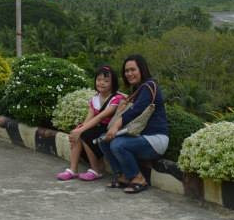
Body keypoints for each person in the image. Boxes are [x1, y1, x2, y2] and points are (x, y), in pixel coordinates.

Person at [98, 54, 168, 194]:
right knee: (104, 140)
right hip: (141, 138)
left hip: (155, 139)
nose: (129, 73)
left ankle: (138, 178)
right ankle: (123, 175)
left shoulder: (149, 86)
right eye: (126, 71)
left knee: (118, 144)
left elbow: (136, 111)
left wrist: (116, 125)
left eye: (133, 69)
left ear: (141, 69)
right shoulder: (138, 89)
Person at [57, 66, 125, 182]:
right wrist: (80, 128)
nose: (101, 83)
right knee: (78, 133)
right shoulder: (95, 98)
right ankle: (73, 169)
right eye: (99, 80)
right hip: (97, 127)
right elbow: (90, 117)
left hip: (110, 129)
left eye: (106, 81)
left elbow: (100, 117)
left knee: (85, 134)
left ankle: (96, 169)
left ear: (113, 83)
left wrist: (81, 130)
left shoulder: (116, 98)